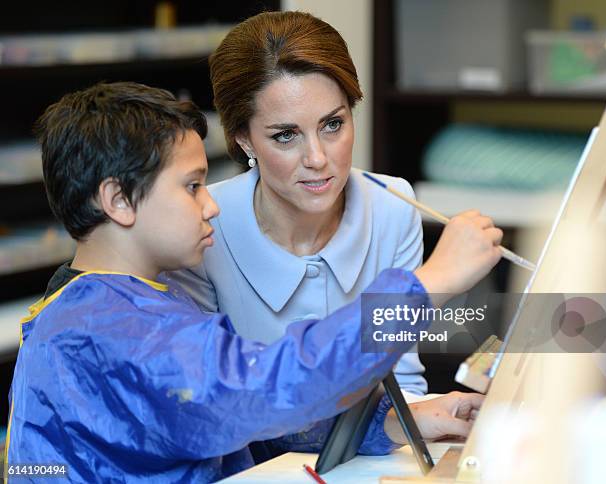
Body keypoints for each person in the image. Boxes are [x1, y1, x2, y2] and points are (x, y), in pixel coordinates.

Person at [5, 82, 501, 483]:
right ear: (118, 200)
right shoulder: (112, 329)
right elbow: (266, 386)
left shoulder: (114, 305)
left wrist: (394, 423)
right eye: (192, 186)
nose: (211, 205)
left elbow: (231, 426)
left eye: (333, 124)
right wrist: (430, 281)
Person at [169, 10, 431, 395]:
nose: (317, 158)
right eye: (286, 135)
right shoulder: (204, 225)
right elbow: (205, 395)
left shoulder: (394, 208)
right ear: (244, 140)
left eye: (333, 125)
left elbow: (401, 381)